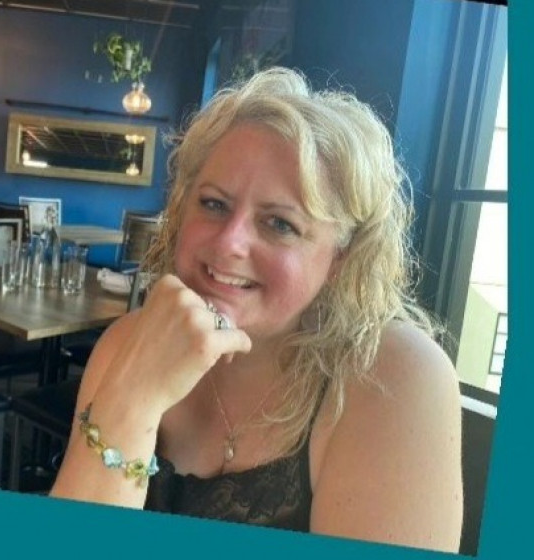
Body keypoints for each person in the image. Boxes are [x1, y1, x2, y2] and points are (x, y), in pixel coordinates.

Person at [49, 67, 463, 552]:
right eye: (214, 204)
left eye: (280, 224)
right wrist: (133, 397)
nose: (229, 242)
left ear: (341, 259)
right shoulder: (128, 342)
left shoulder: (391, 374)